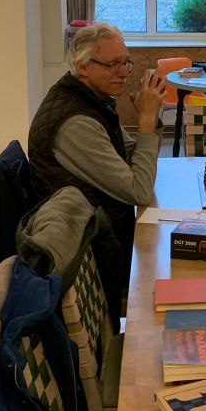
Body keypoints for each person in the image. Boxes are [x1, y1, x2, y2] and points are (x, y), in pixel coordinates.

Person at [27, 22, 165, 280]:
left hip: (109, 226)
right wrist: (146, 120)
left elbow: (132, 155)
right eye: (112, 65)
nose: (124, 73)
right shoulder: (77, 122)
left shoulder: (94, 100)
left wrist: (151, 118)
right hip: (98, 248)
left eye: (125, 62)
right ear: (82, 66)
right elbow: (139, 191)